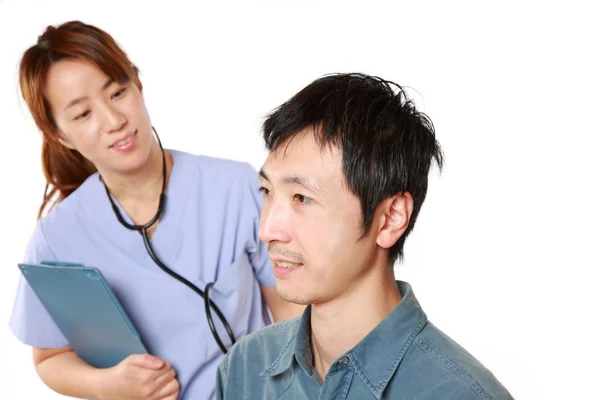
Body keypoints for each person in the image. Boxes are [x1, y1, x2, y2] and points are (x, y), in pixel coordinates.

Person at [8, 20, 302, 400]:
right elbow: (50, 357)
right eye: (83, 114)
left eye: (117, 92)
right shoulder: (56, 239)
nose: (114, 121)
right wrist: (106, 386)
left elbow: (290, 307)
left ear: (138, 85)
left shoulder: (234, 186)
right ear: (59, 135)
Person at [216, 73, 514, 399]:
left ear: (390, 218)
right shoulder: (246, 368)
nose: (267, 230)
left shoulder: (461, 394)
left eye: (302, 198)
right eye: (267, 191)